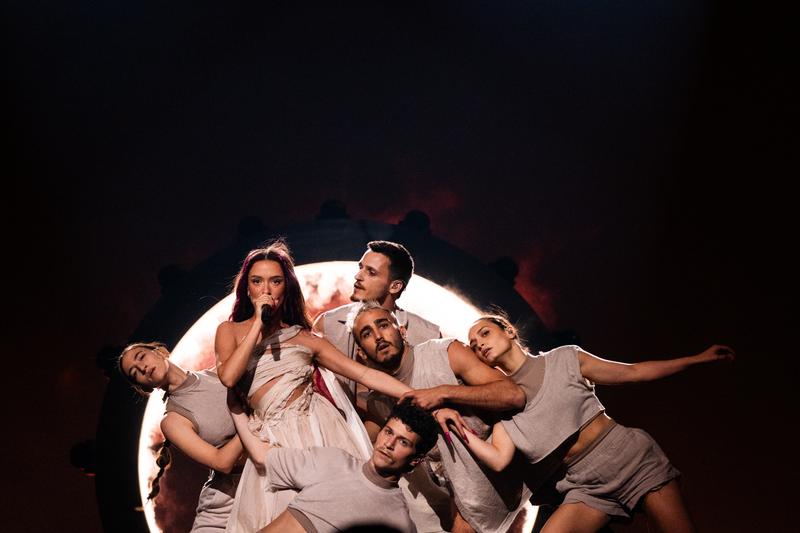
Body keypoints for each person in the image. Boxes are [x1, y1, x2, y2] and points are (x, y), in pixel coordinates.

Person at [457, 312, 735, 533]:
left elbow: (635, 372)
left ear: (509, 331)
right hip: (585, 484)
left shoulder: (564, 358)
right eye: (474, 345)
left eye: (485, 333)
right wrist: (453, 424)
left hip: (630, 458)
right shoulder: (501, 403)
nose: (479, 344)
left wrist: (699, 358)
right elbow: (498, 459)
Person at [214, 241, 421, 532]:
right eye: (257, 281)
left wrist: (418, 395)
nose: (266, 290)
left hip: (320, 431)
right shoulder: (229, 331)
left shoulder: (304, 337)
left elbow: (363, 374)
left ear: (287, 288)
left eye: (275, 281)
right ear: (247, 288)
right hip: (272, 438)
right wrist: (257, 325)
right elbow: (229, 377)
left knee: (337, 517)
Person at [352, 301, 531, 533]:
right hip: (454, 504)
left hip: (500, 488)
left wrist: (443, 392)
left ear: (402, 330)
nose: (378, 336)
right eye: (367, 334)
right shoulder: (379, 401)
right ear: (361, 352)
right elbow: (362, 446)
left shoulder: (445, 353)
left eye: (383, 325)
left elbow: (513, 395)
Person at [230, 399, 440, 533]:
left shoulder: (398, 521)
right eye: (388, 432)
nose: (389, 443)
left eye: (403, 442)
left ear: (416, 460)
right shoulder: (333, 461)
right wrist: (235, 407)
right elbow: (263, 457)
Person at [118, 342, 243, 532]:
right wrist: (256, 421)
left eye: (141, 356)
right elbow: (222, 462)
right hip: (227, 502)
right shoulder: (172, 421)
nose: (142, 367)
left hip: (263, 470)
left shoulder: (215, 374)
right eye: (135, 373)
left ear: (159, 352)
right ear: (143, 387)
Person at [312, 240, 440, 402]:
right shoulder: (327, 324)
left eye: (371, 272)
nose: (358, 276)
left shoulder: (428, 334)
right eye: (360, 268)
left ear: (395, 286)